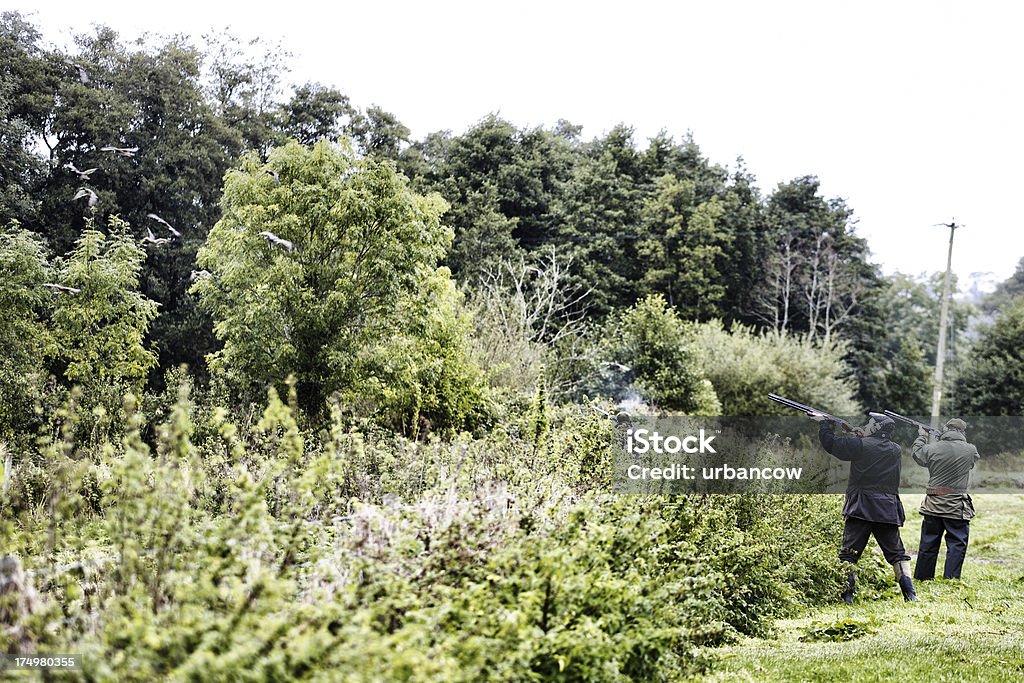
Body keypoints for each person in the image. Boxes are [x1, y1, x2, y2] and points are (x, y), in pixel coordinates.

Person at [810, 411, 919, 603]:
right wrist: (861, 435)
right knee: (897, 554)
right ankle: (910, 595)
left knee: (848, 554)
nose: (867, 426)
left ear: (876, 428)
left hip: (861, 507)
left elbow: (832, 444)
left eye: (870, 424)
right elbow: (872, 446)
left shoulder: (860, 445)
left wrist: (824, 425)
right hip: (887, 509)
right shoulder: (895, 449)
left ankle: (847, 597)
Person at [911, 418, 979, 580]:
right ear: (962, 432)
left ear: (945, 429)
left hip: (933, 504)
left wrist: (922, 436)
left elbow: (917, 454)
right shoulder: (970, 449)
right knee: (956, 545)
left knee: (928, 544)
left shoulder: (932, 448)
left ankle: (923, 578)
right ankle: (951, 579)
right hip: (956, 506)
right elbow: (972, 461)